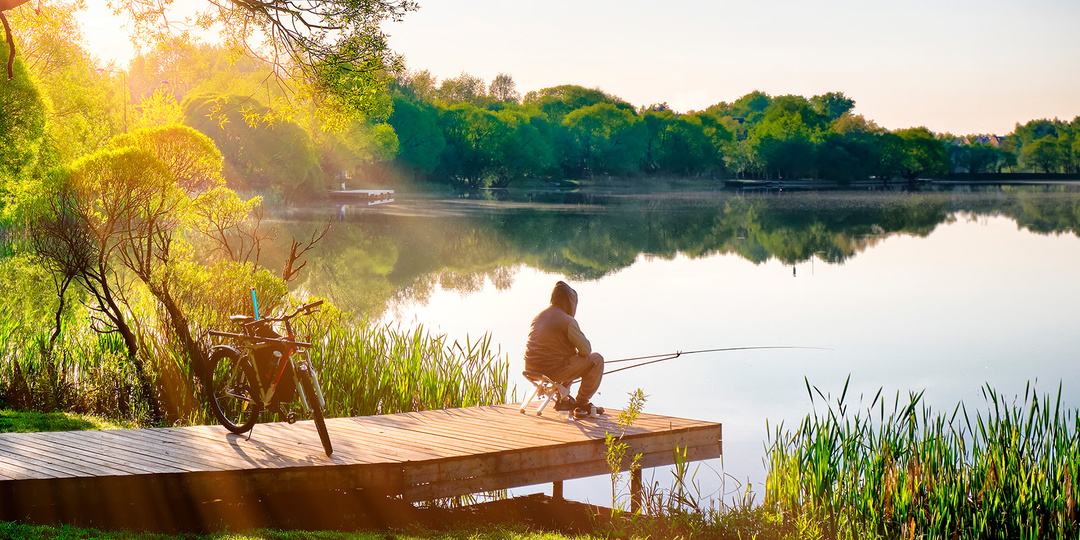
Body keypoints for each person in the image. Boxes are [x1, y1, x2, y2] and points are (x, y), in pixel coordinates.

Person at [523, 281, 604, 418]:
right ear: (569, 302)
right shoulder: (567, 321)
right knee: (597, 359)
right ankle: (582, 402)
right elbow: (586, 350)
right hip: (553, 371)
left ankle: (563, 398)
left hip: (531, 369)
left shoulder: (539, 316)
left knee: (566, 359)